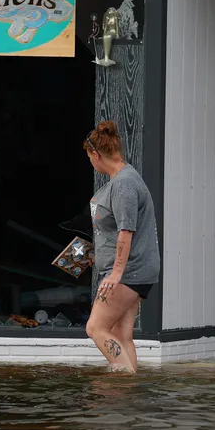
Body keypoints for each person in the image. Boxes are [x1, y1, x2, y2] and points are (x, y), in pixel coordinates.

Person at [83, 121, 160, 373]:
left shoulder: (124, 183)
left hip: (128, 273)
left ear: (96, 154)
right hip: (132, 271)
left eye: (89, 157)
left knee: (95, 328)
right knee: (121, 333)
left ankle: (122, 380)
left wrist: (116, 273)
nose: (91, 164)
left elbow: (126, 231)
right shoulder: (122, 179)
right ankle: (128, 390)